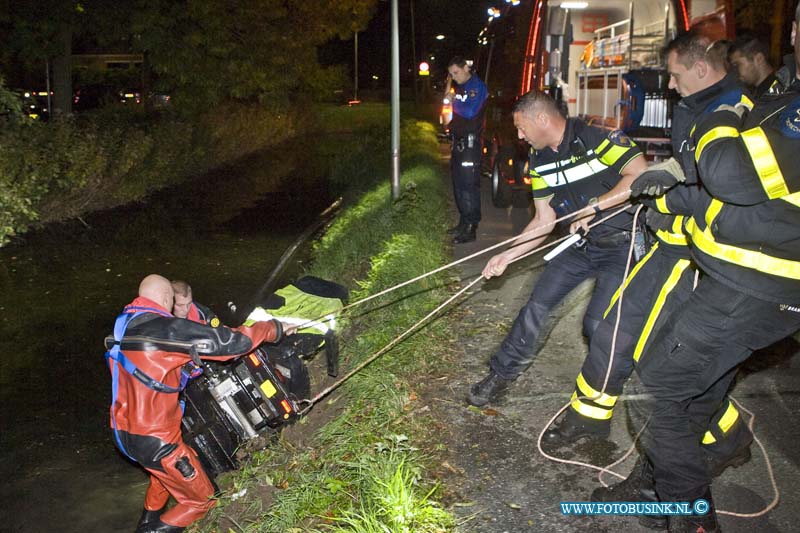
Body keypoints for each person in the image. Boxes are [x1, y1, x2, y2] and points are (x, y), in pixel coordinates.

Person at [594, 11, 800, 530]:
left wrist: (720, 117)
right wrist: (669, 195)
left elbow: (730, 173)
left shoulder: (766, 107)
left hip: (752, 286)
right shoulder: (783, 96)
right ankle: (657, 484)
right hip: (733, 278)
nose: (794, 32)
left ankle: (690, 517)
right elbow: (747, 198)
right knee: (696, 391)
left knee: (656, 390)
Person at [548, 31, 754, 479]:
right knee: (612, 328)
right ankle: (590, 418)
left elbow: (723, 190)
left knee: (653, 358)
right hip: (674, 244)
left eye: (677, 76)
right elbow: (688, 166)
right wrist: (661, 178)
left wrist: (664, 202)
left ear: (701, 68)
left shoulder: (737, 112)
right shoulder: (695, 105)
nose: (672, 86)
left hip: (704, 259)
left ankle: (725, 437)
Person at [467, 90, 647, 407]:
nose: (520, 137)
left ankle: (604, 392)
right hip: (580, 243)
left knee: (597, 324)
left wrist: (595, 208)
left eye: (522, 129)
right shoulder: (538, 159)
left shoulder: (597, 134)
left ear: (542, 119)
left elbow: (639, 174)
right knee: (536, 306)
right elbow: (544, 218)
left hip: (623, 243)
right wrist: (507, 256)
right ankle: (500, 376)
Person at [105, 274, 291, 532]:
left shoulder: (124, 325)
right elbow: (232, 343)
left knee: (162, 476)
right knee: (202, 501)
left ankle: (146, 522)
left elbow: (150, 368)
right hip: (155, 438)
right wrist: (273, 329)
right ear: (167, 298)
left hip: (123, 432)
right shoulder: (164, 328)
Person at [445, 56, 488, 244]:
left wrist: (453, 102)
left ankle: (471, 228)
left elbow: (471, 112)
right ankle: (463, 222)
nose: (454, 77)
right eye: (451, 74)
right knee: (459, 186)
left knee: (469, 187)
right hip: (459, 143)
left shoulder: (476, 87)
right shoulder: (461, 87)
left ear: (465, 68)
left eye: (456, 72)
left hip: (470, 145)